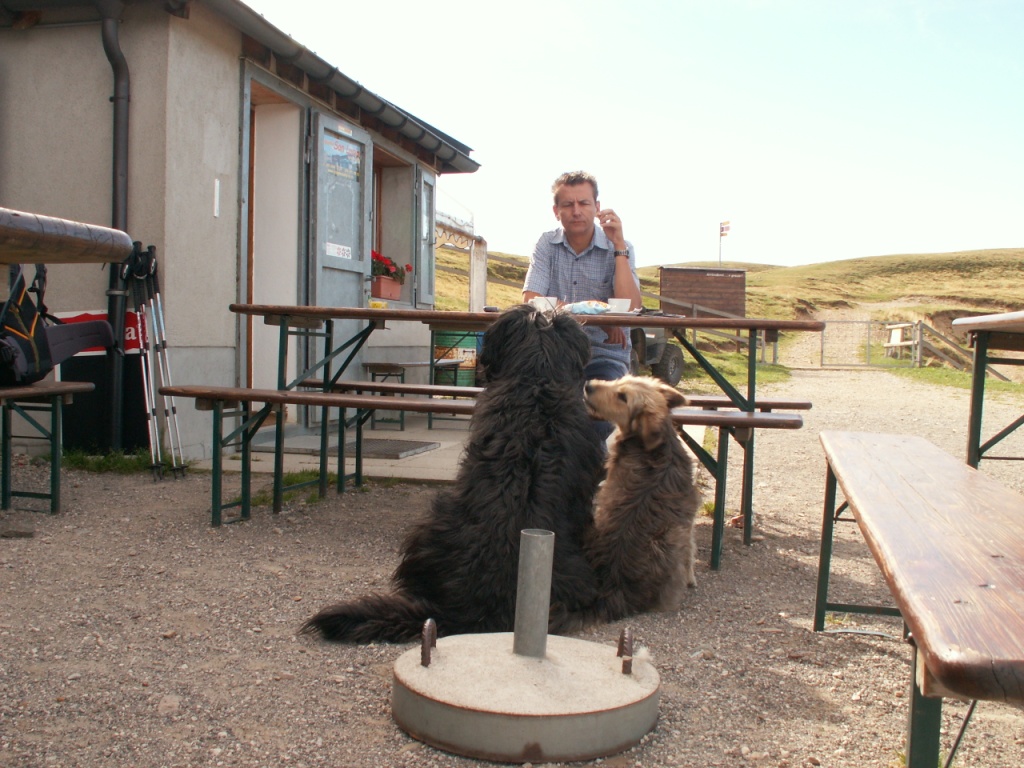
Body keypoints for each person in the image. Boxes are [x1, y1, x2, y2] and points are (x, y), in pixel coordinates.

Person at [523, 170, 643, 384]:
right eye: (568, 204)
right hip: (553, 353)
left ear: (597, 207)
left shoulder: (620, 247)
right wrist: (596, 315)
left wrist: (619, 246)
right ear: (556, 211)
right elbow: (531, 300)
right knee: (524, 397)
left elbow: (631, 308)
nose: (576, 211)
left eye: (584, 203)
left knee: (602, 403)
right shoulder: (546, 244)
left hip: (604, 356)